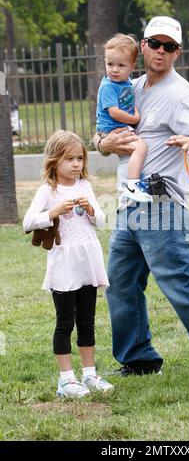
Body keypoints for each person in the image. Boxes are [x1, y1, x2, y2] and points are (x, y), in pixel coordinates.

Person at [94, 16, 189, 379]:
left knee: (177, 279)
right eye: (154, 43)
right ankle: (139, 358)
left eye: (169, 46)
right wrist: (101, 143)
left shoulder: (180, 93)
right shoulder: (129, 84)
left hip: (161, 204)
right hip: (129, 203)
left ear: (177, 53)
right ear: (142, 46)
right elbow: (102, 133)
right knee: (120, 281)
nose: (160, 51)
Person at [23, 130, 114, 398]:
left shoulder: (85, 187)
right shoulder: (47, 191)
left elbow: (101, 221)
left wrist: (91, 210)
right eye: (69, 159)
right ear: (54, 161)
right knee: (65, 321)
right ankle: (66, 380)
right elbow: (29, 221)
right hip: (64, 264)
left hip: (88, 262)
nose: (76, 164)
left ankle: (89, 374)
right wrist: (52, 212)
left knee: (87, 320)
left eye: (80, 158)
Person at [96, 33, 152, 203]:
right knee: (140, 148)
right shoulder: (108, 86)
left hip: (118, 127)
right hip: (114, 128)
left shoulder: (126, 82)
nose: (114, 69)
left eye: (121, 65)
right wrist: (134, 118)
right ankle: (132, 185)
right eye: (110, 64)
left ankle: (128, 187)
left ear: (132, 66)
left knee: (129, 155)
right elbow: (114, 112)